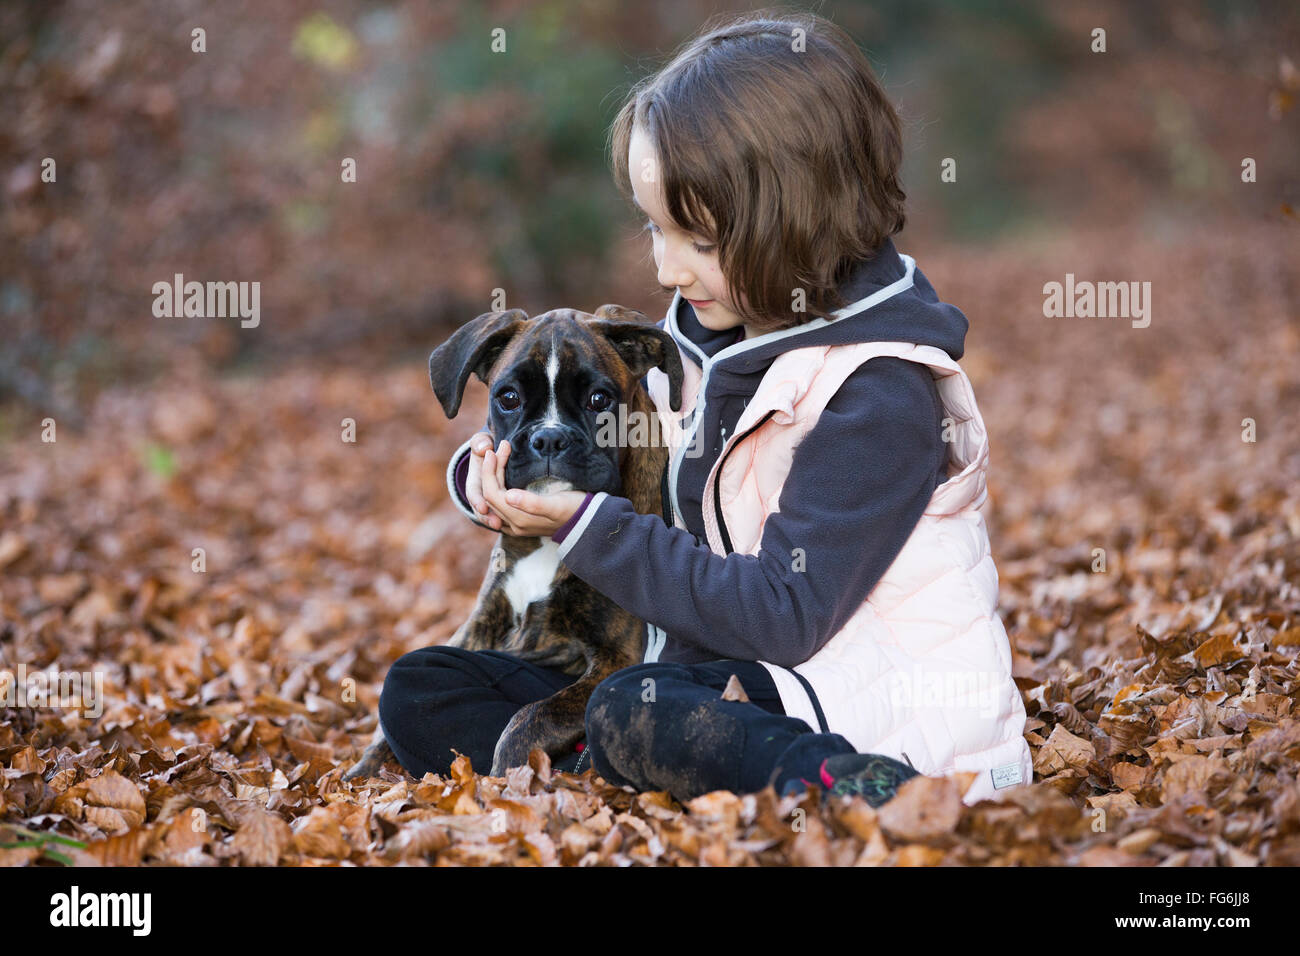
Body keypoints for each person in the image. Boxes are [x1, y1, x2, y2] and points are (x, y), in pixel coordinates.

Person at [378, 9, 1031, 808]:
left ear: (792, 218)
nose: (664, 265)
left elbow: (783, 617)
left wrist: (588, 528)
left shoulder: (878, 392)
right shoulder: (704, 338)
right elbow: (598, 426)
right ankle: (613, 767)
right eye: (655, 228)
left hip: (859, 705)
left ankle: (849, 788)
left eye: (695, 238)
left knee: (633, 705)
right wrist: (485, 478)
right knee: (423, 687)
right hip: (717, 675)